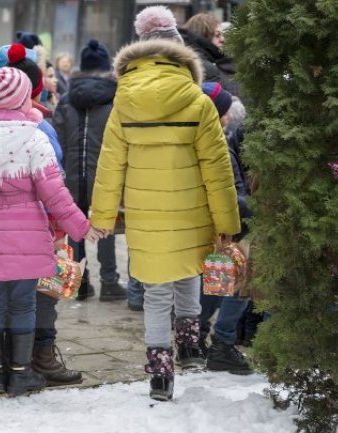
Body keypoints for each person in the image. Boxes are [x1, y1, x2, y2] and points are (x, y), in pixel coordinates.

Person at [89, 6, 240, 401]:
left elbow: (109, 165)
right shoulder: (200, 103)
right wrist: (227, 223)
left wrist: (102, 217)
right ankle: (189, 343)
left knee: (156, 291)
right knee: (189, 270)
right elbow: (217, 170)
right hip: (193, 212)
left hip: (146, 214)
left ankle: (159, 374)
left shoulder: (124, 104)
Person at [0, 64, 101, 396]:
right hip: (28, 236)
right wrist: (81, 226)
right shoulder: (35, 137)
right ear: (21, 98)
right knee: (23, 304)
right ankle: (19, 374)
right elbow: (54, 194)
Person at [0, 44, 84, 386]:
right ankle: (42, 356)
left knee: (11, 294)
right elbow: (53, 183)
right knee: (45, 291)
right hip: (41, 228)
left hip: (1, 226)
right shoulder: (40, 127)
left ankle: (10, 360)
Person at [52, 39, 128, 302]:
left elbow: (58, 139)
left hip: (71, 174)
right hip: (103, 175)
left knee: (75, 227)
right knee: (105, 224)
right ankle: (109, 282)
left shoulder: (66, 98)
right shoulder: (115, 98)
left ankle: (79, 283)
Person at [198, 82, 253, 375]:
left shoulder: (204, 139)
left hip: (213, 230)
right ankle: (223, 343)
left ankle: (196, 333)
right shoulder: (217, 145)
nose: (229, 116)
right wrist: (256, 210)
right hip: (232, 229)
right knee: (239, 286)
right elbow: (231, 194)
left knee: (213, 282)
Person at [182, 12, 239, 96]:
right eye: (217, 35)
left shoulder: (218, 62)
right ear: (202, 37)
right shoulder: (207, 68)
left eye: (222, 35)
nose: (222, 39)